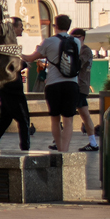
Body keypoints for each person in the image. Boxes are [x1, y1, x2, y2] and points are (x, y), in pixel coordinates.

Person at [23, 14, 81, 152]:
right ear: (68, 26)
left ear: (55, 26)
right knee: (68, 121)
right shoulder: (77, 42)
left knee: (55, 119)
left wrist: (18, 54)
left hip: (53, 84)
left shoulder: (49, 41)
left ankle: (59, 150)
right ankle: (65, 151)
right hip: (72, 84)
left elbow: (31, 58)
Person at [0, 17, 33, 151]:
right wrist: (24, 64)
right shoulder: (8, 43)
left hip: (3, 85)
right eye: (20, 26)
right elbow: (10, 64)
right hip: (12, 86)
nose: (22, 29)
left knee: (6, 119)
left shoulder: (3, 41)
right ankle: (25, 148)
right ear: (13, 28)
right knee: (23, 118)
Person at [69, 27, 100, 152]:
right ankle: (93, 143)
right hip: (78, 86)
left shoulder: (85, 50)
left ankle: (61, 140)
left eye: (75, 38)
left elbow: (77, 65)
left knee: (69, 113)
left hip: (80, 86)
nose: (73, 40)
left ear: (82, 38)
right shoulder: (78, 49)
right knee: (84, 115)